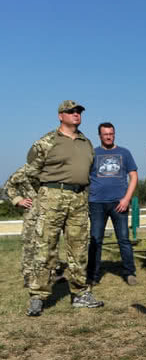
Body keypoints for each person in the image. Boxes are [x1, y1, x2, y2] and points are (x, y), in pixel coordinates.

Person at [18, 100, 103, 316]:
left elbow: (89, 169)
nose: (76, 114)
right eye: (71, 111)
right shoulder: (46, 142)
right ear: (60, 116)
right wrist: (48, 191)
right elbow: (31, 172)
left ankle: (80, 294)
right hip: (52, 197)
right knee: (45, 247)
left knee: (78, 248)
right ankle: (37, 296)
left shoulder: (86, 142)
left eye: (79, 112)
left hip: (78, 197)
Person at [86, 122, 138, 286]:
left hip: (119, 203)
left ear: (114, 134)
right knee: (96, 240)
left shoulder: (124, 153)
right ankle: (93, 276)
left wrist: (126, 199)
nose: (108, 136)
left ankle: (129, 273)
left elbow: (134, 176)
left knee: (123, 239)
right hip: (96, 203)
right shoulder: (92, 154)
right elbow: (83, 176)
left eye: (111, 133)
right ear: (100, 135)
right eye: (105, 134)